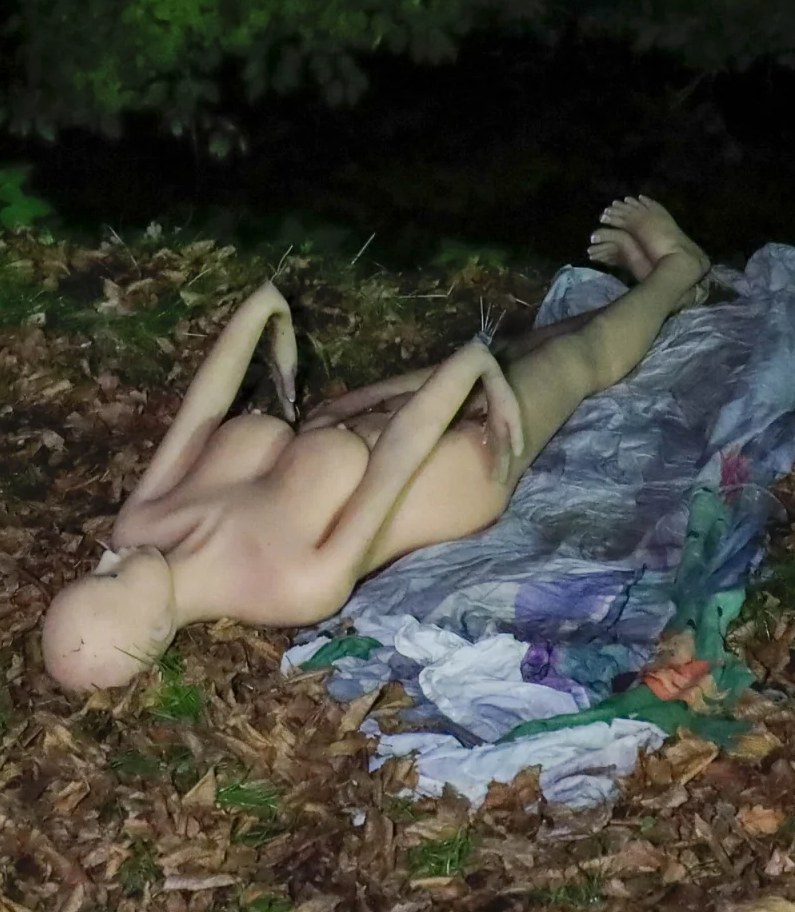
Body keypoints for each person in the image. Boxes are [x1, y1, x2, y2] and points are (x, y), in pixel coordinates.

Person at [41, 196, 713, 690]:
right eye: (112, 582)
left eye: (92, 571)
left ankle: (665, 302)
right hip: (447, 464)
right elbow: (392, 470)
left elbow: (200, 413)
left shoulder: (141, 527)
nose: (106, 558)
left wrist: (260, 312)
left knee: (520, 352)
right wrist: (469, 370)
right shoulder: (290, 586)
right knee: (574, 363)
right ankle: (679, 270)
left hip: (358, 426)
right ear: (157, 632)